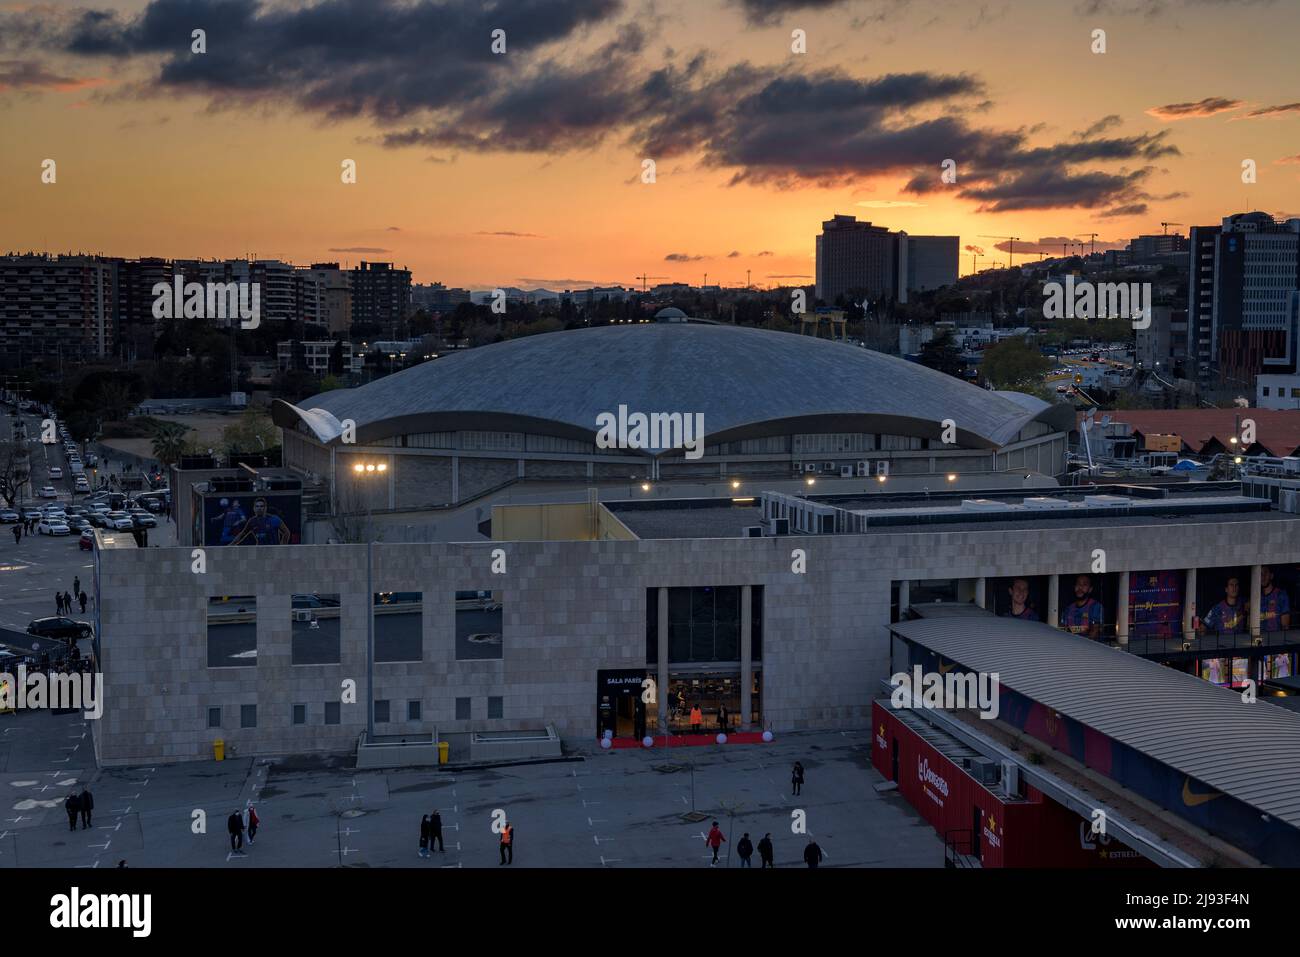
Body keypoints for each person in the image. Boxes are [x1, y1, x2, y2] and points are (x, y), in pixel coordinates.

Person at [1060, 574, 1104, 639]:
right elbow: (1062, 629)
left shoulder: (1095, 607)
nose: (1080, 587)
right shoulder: (1068, 609)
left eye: (1084, 584)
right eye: (1078, 584)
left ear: (1090, 589)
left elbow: (1095, 632)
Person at [1259, 567, 1291, 633]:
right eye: (1260, 574)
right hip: (1259, 638)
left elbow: (1285, 626)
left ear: (1271, 576)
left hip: (1276, 638)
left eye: (1265, 573)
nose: (1263, 576)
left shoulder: (1281, 595)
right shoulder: (1256, 597)